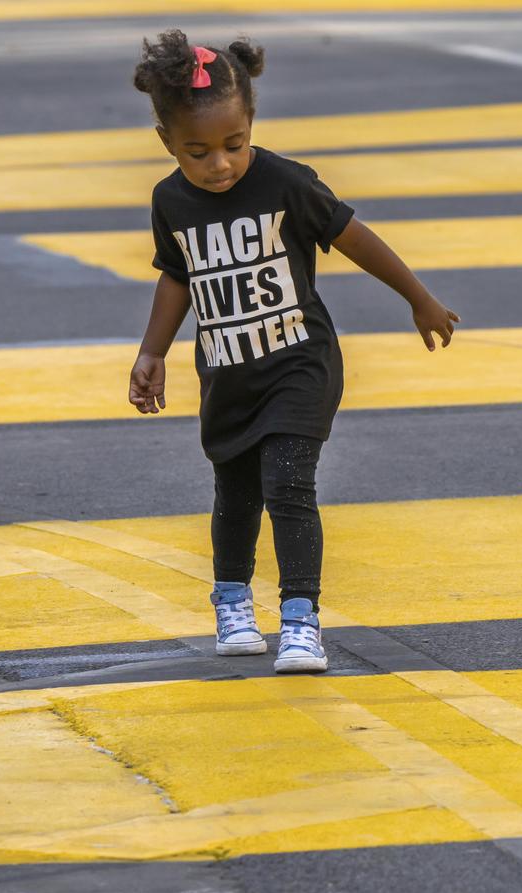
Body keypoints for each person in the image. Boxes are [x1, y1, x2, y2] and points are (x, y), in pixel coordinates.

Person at [127, 29, 459, 673]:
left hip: (298, 362)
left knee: (288, 485)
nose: (219, 164)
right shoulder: (169, 200)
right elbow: (177, 275)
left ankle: (301, 620)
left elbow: (354, 236)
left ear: (251, 124)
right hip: (227, 372)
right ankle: (232, 604)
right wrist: (152, 352)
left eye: (234, 145)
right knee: (236, 493)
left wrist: (418, 297)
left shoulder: (285, 183)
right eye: (197, 152)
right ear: (167, 142)